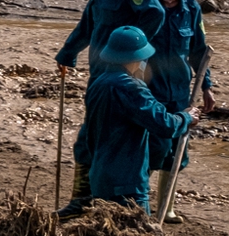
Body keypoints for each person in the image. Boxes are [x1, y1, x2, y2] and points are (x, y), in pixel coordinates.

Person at [53, 0, 165, 215]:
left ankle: (126, 204)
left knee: (116, 139)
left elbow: (154, 14)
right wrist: (68, 51)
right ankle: (83, 200)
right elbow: (90, 20)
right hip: (100, 72)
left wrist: (136, 54)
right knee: (90, 137)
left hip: (124, 74)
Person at [69, 25, 197, 217]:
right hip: (127, 183)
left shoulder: (98, 84)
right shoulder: (132, 88)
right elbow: (164, 125)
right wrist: (187, 117)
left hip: (100, 177)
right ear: (136, 58)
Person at [147, 0, 215, 223]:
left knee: (178, 149)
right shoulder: (147, 7)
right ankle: (139, 203)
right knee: (153, 148)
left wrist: (206, 87)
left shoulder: (191, 9)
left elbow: (199, 50)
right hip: (150, 89)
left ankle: (167, 206)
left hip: (179, 92)